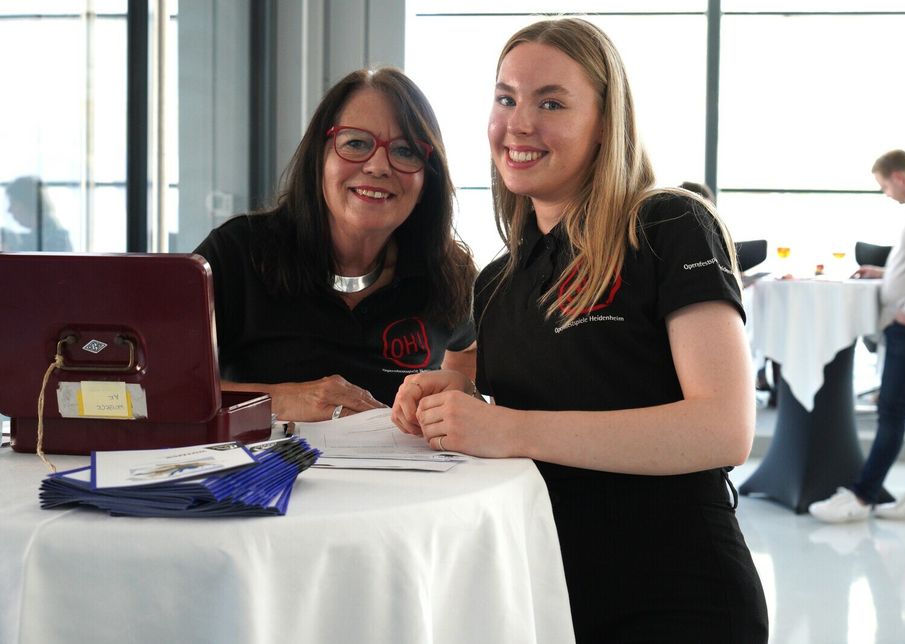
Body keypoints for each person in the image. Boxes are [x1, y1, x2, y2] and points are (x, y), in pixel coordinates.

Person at [392, 18, 767, 643]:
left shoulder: (668, 225)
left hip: (676, 597)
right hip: (543, 592)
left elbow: (724, 429)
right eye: (506, 98)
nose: (519, 123)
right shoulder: (498, 282)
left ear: (605, 123)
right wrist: (450, 399)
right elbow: (495, 398)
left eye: (552, 103)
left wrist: (510, 429)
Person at [194, 67, 477, 422]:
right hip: (269, 476)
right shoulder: (238, 253)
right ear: (319, 160)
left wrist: (454, 396)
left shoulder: (447, 271)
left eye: (405, 151)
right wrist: (279, 398)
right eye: (356, 143)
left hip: (402, 477)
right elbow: (158, 388)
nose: (377, 166)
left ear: (426, 181)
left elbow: (469, 351)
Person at [810, 150, 905, 523]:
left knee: (891, 408)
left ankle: (861, 498)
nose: (886, 194)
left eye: (883, 186)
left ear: (898, 176)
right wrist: (884, 273)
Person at [1, 176, 72, 251]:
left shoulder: (53, 240)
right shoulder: (52, 235)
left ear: (27, 202)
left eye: (14, 203)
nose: (9, 210)